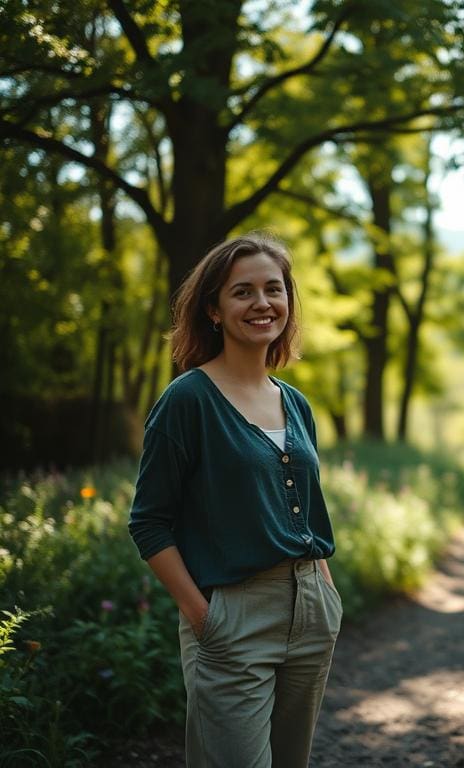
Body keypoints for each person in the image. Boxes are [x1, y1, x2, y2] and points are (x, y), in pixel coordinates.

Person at [128, 231, 341, 768]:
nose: (262, 303)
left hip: (311, 608)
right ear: (214, 310)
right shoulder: (187, 400)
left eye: (274, 289)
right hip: (232, 616)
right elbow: (149, 522)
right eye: (242, 291)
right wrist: (201, 615)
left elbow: (309, 509)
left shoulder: (295, 403)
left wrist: (326, 597)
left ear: (289, 303)